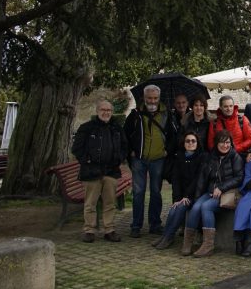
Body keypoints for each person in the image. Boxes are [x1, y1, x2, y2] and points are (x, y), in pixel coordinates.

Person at [124, 84, 180, 237]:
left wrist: (167, 150)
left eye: (155, 98)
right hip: (139, 160)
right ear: (144, 98)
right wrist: (130, 151)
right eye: (149, 98)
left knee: (156, 192)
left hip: (158, 159)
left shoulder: (167, 114)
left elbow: (174, 136)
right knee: (138, 193)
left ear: (159, 98)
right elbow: (126, 135)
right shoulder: (135, 114)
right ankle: (136, 225)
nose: (152, 101)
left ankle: (155, 224)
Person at [182, 130, 244, 257]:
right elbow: (203, 178)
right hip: (210, 192)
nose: (225, 145)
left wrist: (221, 187)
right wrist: (197, 196)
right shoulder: (211, 156)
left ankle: (208, 245)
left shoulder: (235, 157)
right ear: (216, 143)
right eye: (221, 142)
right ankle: (188, 242)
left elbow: (239, 178)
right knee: (195, 208)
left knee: (206, 207)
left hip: (227, 195)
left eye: (227, 142)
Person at [72, 100, 128, 243]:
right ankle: (89, 230)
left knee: (110, 203)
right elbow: (77, 148)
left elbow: (124, 146)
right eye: (103, 109)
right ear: (97, 111)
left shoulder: (116, 128)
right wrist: (87, 160)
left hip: (111, 171)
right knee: (90, 203)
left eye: (109, 110)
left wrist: (119, 158)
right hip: (91, 172)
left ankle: (109, 230)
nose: (106, 112)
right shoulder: (87, 128)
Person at [151, 131, 205, 249]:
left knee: (180, 207)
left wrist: (186, 196)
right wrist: (177, 198)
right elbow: (175, 180)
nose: (190, 143)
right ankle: (165, 235)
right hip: (182, 195)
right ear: (184, 143)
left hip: (195, 194)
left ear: (197, 143)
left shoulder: (202, 158)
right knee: (174, 207)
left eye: (193, 141)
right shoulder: (179, 157)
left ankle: (169, 237)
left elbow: (197, 180)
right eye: (188, 141)